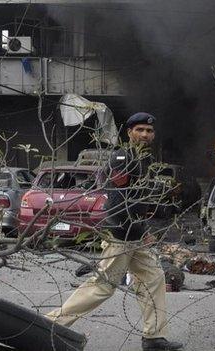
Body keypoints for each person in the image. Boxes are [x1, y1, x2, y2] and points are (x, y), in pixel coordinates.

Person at [46, 112, 183, 351]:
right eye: (140, 130)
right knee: (102, 286)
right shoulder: (122, 158)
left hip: (135, 234)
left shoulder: (143, 160)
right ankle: (49, 324)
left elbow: (140, 199)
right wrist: (141, 230)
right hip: (121, 233)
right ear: (129, 132)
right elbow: (119, 202)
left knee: (153, 278)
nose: (145, 134)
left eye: (149, 131)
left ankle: (154, 337)